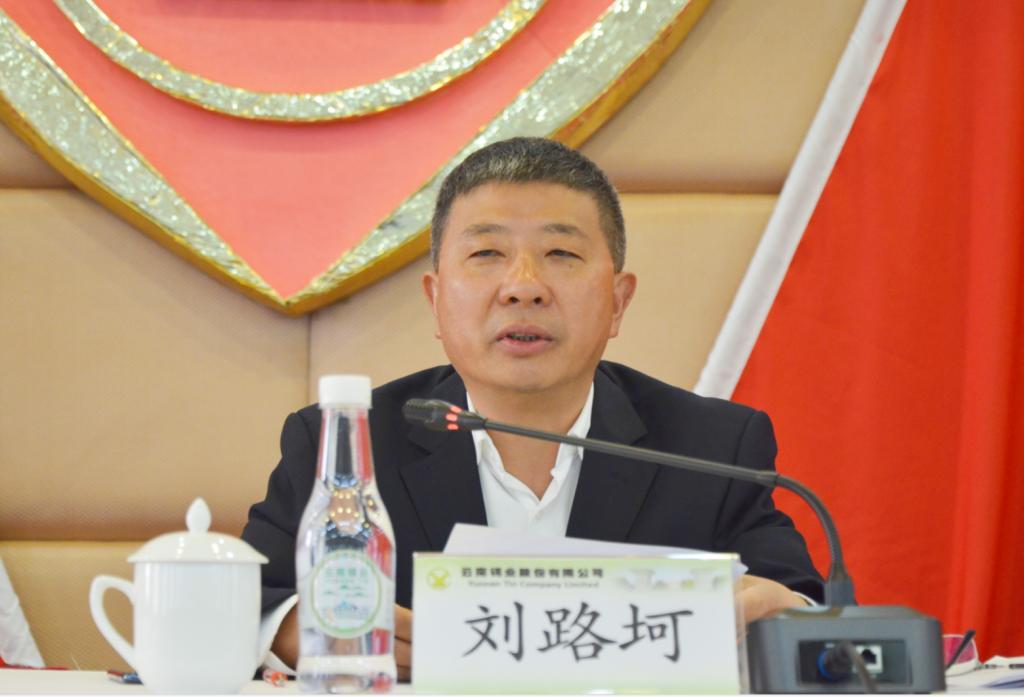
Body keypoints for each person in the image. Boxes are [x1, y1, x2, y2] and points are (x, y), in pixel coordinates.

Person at [241, 137, 823, 680]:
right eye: (487, 252)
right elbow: (254, 602)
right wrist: (307, 632)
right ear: (436, 300)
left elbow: (801, 610)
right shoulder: (345, 441)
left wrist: (780, 614)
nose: (524, 286)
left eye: (561, 252)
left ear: (618, 302)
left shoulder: (712, 446)